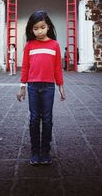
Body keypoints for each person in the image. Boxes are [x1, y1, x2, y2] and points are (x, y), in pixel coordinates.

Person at [17, 10, 66, 166]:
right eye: (35, 28)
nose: (39, 31)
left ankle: (45, 151)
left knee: (47, 119)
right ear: (31, 29)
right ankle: (35, 151)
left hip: (48, 88)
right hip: (32, 87)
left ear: (49, 26)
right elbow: (25, 67)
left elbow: (58, 68)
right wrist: (22, 86)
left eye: (42, 27)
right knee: (34, 119)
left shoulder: (55, 45)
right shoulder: (29, 46)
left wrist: (61, 86)